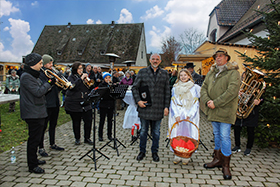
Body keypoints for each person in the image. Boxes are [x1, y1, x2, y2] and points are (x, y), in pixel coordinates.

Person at [200, 48, 240, 180]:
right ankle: (217, 159)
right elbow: (204, 88)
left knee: (224, 136)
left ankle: (226, 165)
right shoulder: (212, 72)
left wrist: (215, 102)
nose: (218, 58)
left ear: (226, 58)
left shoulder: (233, 73)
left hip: (225, 110)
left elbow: (231, 92)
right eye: (216, 56)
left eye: (221, 56)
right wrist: (207, 101)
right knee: (216, 135)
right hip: (213, 109)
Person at [20, 53, 56, 174]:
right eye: (40, 63)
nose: (41, 66)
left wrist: (49, 84)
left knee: (36, 138)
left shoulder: (34, 76)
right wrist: (49, 83)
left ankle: (34, 159)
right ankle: (32, 165)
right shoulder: (26, 76)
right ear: (32, 64)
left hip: (38, 111)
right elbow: (38, 92)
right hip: (32, 112)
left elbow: (41, 89)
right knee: (33, 140)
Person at [132, 53, 170, 162]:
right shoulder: (142, 72)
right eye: (153, 59)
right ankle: (142, 151)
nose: (155, 61)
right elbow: (135, 88)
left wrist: (166, 106)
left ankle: (155, 152)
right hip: (145, 107)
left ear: (160, 61)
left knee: (156, 132)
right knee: (143, 131)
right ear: (150, 60)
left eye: (157, 59)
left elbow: (167, 91)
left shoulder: (164, 73)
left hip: (158, 108)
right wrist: (138, 101)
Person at [168, 69, 200, 165]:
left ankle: (187, 154)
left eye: (185, 75)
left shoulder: (194, 88)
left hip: (189, 114)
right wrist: (176, 115)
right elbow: (173, 102)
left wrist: (190, 115)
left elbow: (195, 103)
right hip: (178, 113)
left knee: (188, 134)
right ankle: (177, 154)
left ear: (189, 76)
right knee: (177, 134)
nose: (183, 77)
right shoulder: (175, 88)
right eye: (181, 75)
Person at [38, 54, 64, 157]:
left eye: (51, 63)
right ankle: (40, 147)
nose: (51, 65)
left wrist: (62, 84)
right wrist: (51, 81)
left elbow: (56, 88)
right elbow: (44, 87)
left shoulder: (53, 72)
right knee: (43, 127)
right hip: (46, 103)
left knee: (53, 125)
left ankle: (52, 143)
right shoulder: (41, 74)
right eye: (49, 63)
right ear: (44, 63)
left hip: (55, 103)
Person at [64, 62, 94, 145]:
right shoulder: (71, 77)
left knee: (88, 121)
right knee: (76, 122)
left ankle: (87, 138)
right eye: (79, 68)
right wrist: (80, 79)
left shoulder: (84, 77)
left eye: (82, 68)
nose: (81, 70)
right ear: (75, 69)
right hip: (75, 103)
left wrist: (88, 82)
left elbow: (89, 88)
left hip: (85, 102)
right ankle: (77, 138)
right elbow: (72, 87)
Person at [98, 72, 114, 141]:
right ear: (104, 79)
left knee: (110, 120)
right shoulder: (101, 85)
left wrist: (111, 87)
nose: (108, 79)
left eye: (109, 78)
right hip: (103, 104)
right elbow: (101, 94)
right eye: (106, 78)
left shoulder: (112, 85)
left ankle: (109, 135)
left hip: (111, 104)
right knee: (102, 120)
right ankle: (100, 135)